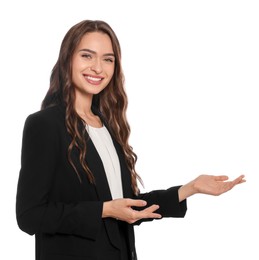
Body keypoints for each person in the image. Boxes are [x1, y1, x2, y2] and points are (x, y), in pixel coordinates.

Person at [16, 20, 245, 260]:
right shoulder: (44, 125)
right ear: (67, 60)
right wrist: (104, 210)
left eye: (108, 59)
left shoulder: (107, 126)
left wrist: (190, 188)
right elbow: (30, 215)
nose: (98, 68)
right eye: (87, 56)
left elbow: (126, 206)